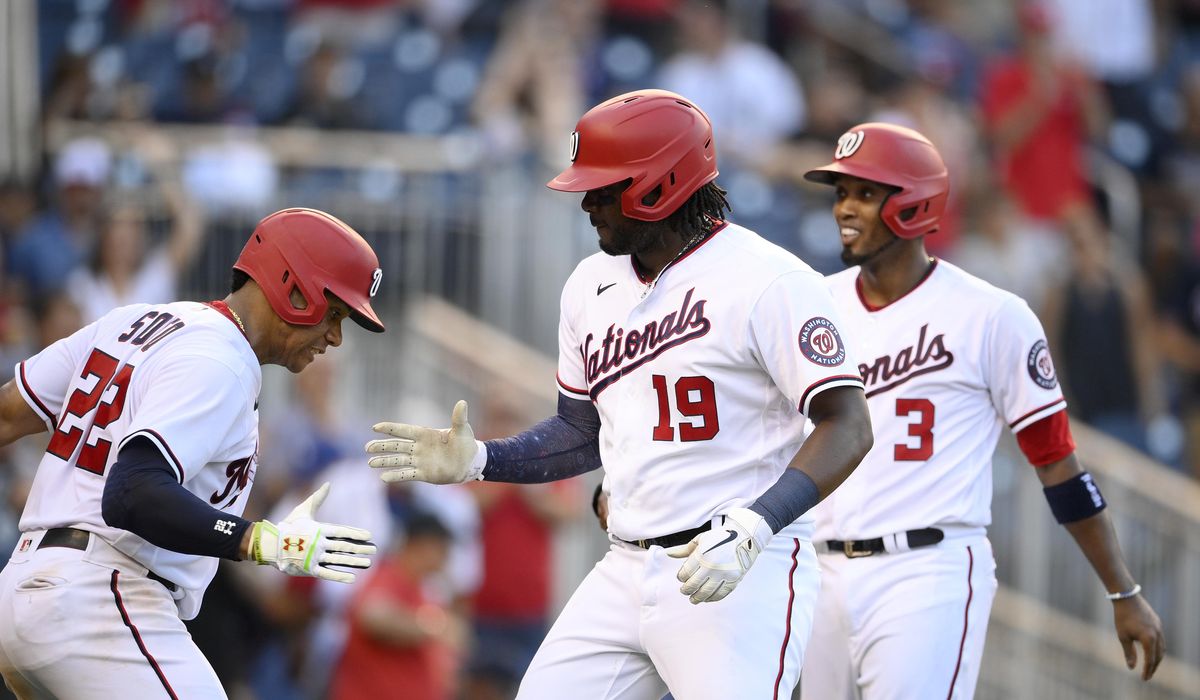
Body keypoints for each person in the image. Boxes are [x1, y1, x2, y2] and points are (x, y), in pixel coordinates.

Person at [365, 88, 875, 698]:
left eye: (604, 187)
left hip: (739, 567)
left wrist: (757, 525)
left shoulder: (771, 280)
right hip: (624, 565)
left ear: (659, 185)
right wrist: (482, 460)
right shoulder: (589, 283)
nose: (587, 203)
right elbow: (582, 433)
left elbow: (848, 424)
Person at [798, 122, 1166, 699]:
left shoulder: (993, 315)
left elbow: (1057, 462)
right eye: (841, 192)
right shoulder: (813, 305)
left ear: (914, 203)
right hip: (820, 570)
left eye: (865, 193)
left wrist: (1122, 590)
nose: (845, 207)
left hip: (927, 571)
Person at [0, 208, 385, 698]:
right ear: (293, 286)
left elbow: (7, 413)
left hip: (25, 588)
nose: (335, 336)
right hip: (101, 599)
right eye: (334, 313)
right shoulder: (222, 359)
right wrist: (262, 541)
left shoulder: (134, 321)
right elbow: (132, 492)